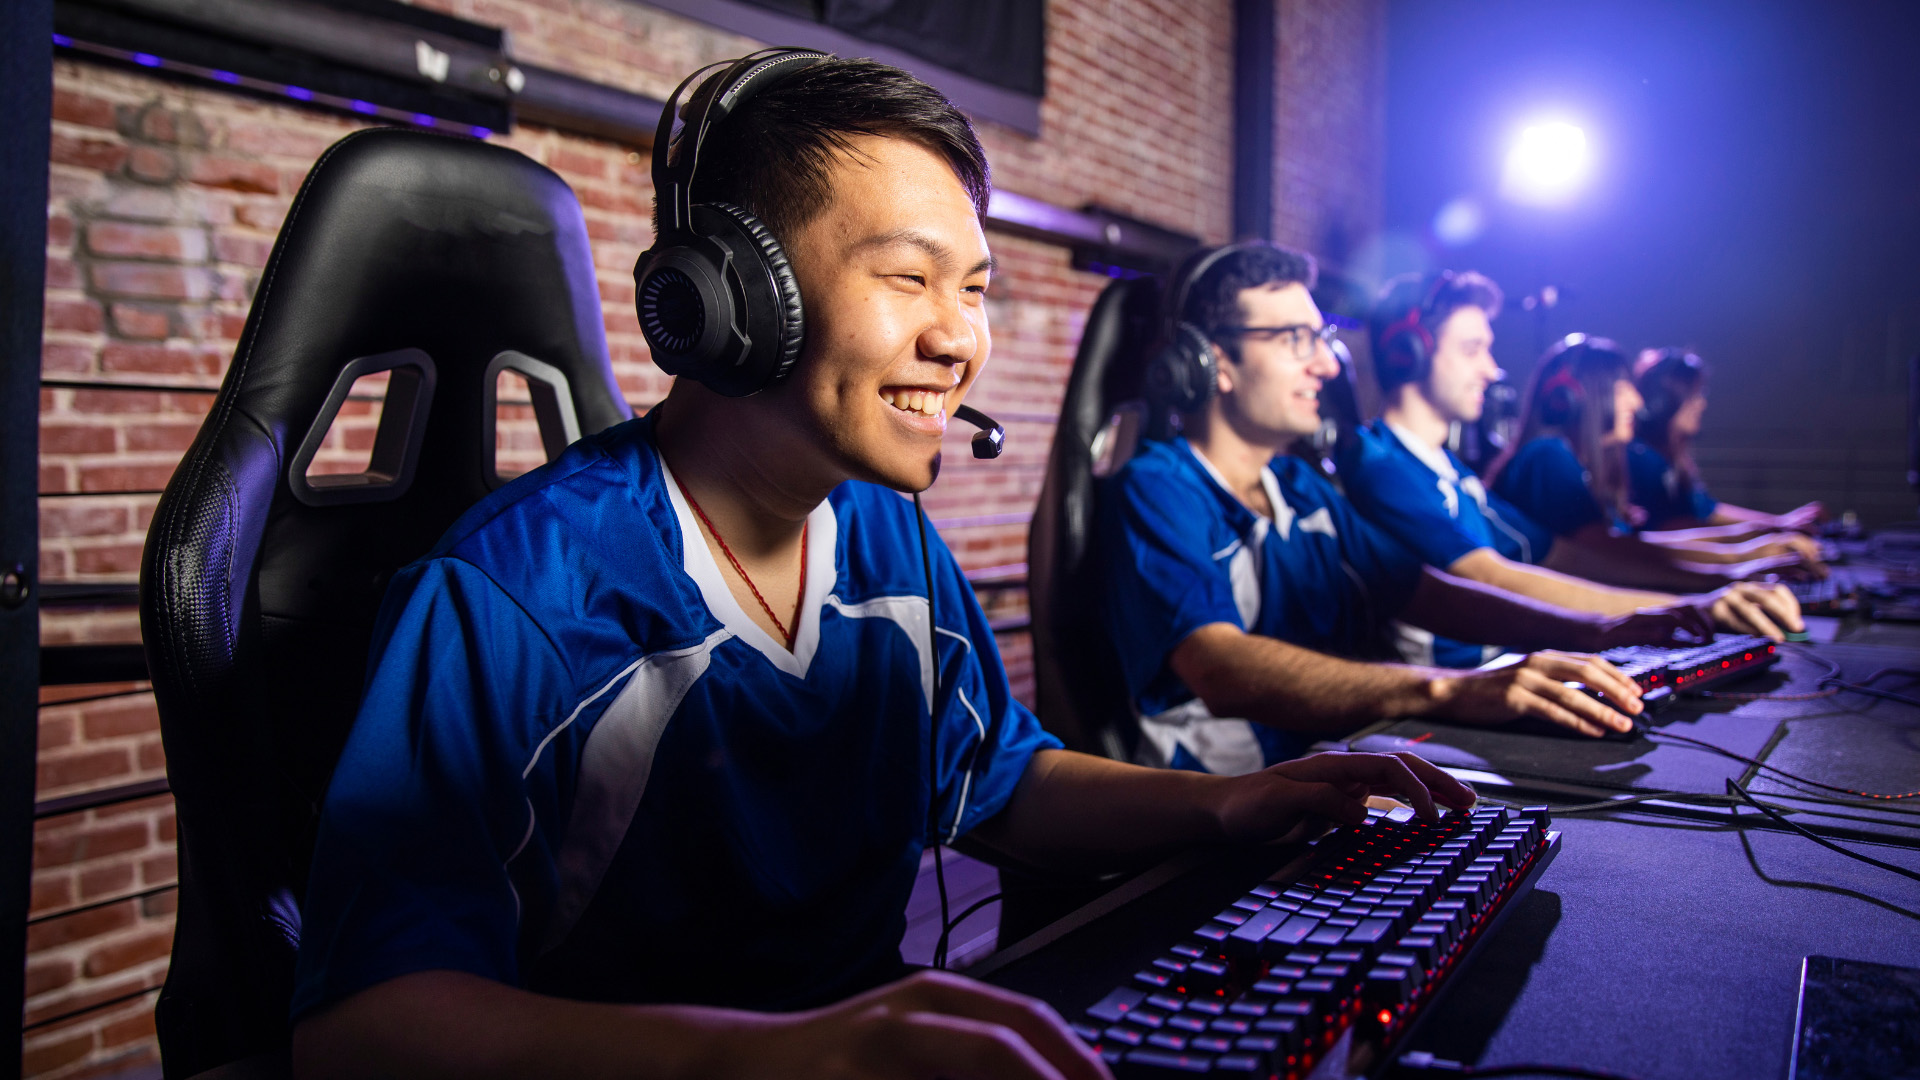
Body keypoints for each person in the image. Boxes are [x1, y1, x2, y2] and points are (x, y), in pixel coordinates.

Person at [289, 53, 1475, 1080]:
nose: (960, 337)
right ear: (730, 304)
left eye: (974, 289)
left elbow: (1000, 783)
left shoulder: (887, 534)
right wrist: (774, 1059)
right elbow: (363, 1029)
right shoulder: (516, 595)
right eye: (909, 278)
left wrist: (1228, 804)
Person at [1097, 243, 1711, 780]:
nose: (1329, 364)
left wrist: (1593, 633)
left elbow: (1423, 591)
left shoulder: (1300, 487)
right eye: (1295, 340)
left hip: (1319, 782)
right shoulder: (1158, 486)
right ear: (1211, 361)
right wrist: (1450, 689)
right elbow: (1218, 665)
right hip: (1210, 822)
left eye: (1323, 338)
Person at [1335, 272, 1804, 668]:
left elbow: (1565, 555)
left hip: (1505, 669)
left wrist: (1717, 586)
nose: (1492, 369)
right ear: (1408, 353)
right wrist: (1686, 607)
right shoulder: (1383, 466)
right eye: (1472, 349)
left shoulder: (1447, 469)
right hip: (1456, 697)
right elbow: (1490, 576)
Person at [1487, 335, 1823, 592]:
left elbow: (1636, 546)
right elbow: (1607, 553)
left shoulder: (1567, 462)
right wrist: (1731, 568)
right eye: (1623, 390)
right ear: (1575, 400)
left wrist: (1746, 557)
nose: (1636, 400)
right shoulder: (1547, 457)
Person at [1630, 347, 1823, 532]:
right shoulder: (1644, 459)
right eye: (1694, 395)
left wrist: (1781, 524)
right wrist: (1760, 543)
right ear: (1664, 401)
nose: (1702, 403)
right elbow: (1672, 530)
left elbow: (1708, 510)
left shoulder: (1666, 458)